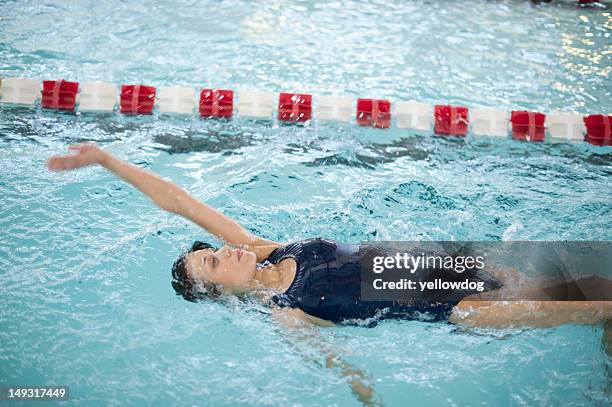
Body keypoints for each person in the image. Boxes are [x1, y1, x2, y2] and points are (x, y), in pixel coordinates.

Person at [47, 143, 612, 406]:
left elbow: (183, 203)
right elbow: (334, 365)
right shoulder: (286, 313)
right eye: (216, 264)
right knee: (580, 304)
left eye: (215, 249)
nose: (227, 252)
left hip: (442, 264)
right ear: (225, 294)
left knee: (578, 294)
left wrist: (108, 161)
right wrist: (363, 391)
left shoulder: (265, 248)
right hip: (456, 309)